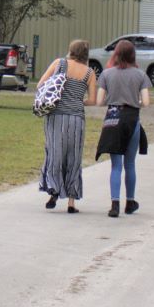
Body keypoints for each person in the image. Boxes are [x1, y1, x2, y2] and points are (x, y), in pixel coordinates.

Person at [93, 38, 151, 218]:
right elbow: (146, 102)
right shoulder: (140, 75)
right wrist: (135, 102)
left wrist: (112, 102)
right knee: (130, 164)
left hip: (112, 119)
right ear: (133, 55)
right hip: (132, 119)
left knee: (115, 165)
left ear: (116, 54)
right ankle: (130, 201)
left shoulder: (107, 74)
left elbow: (99, 101)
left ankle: (114, 204)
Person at [38, 39, 97, 212]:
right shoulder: (89, 73)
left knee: (55, 153)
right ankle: (71, 201)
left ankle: (53, 191)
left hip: (56, 116)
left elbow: (41, 84)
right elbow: (93, 100)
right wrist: (78, 101)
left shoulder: (59, 63)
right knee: (74, 157)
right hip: (76, 119)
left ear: (71, 50)